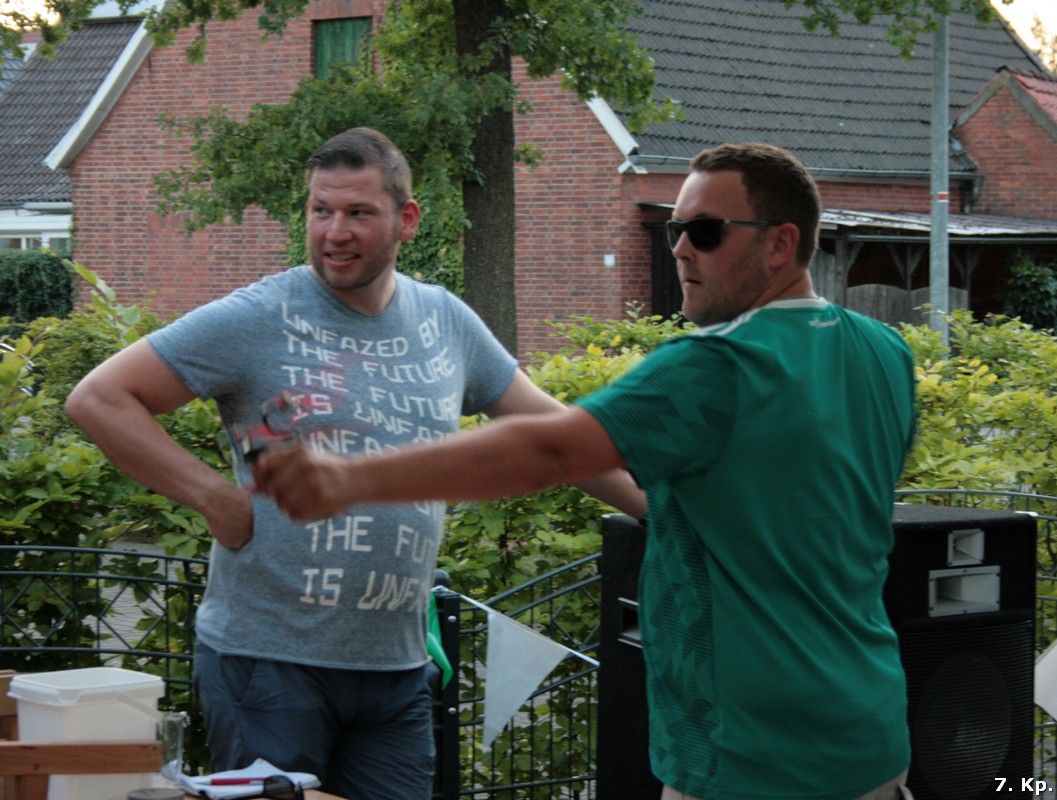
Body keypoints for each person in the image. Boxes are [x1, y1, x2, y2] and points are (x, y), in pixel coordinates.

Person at [253, 142, 918, 800]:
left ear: (781, 244)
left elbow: (550, 451)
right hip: (872, 739)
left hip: (752, 758)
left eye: (707, 232)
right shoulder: (885, 353)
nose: (682, 249)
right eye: (676, 231)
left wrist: (348, 479)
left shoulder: (718, 367)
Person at [65, 127, 645, 800]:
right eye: (321, 210)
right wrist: (214, 498)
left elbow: (556, 438)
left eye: (358, 213)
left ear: (407, 219)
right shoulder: (260, 315)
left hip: (395, 668)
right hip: (268, 665)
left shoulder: (445, 321)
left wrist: (657, 508)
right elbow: (99, 398)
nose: (335, 232)